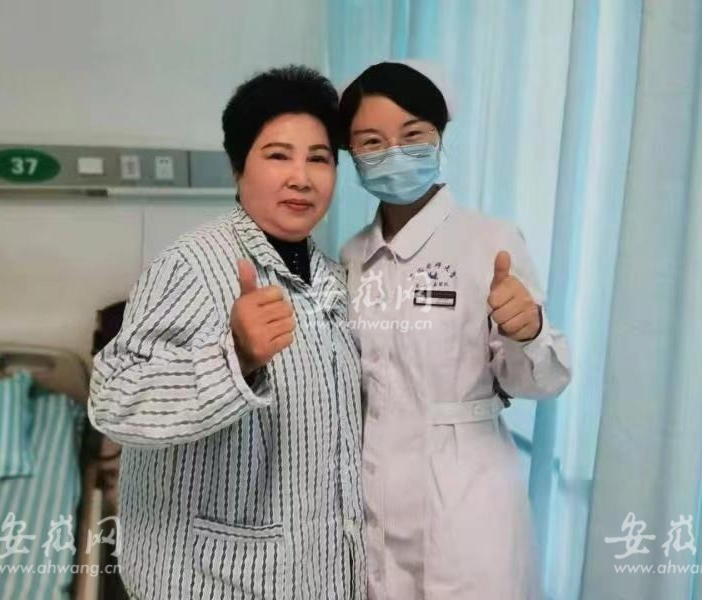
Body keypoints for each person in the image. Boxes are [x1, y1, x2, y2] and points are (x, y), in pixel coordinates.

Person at [89, 65, 366, 599]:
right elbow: (114, 398)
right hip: (213, 580)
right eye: (278, 155)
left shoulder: (333, 280)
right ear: (239, 168)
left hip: (315, 576)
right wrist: (235, 358)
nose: (301, 177)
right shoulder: (193, 265)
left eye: (319, 158)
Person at [339, 61, 572, 599]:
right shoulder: (352, 257)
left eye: (413, 135)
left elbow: (540, 382)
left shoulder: (488, 241)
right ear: (351, 154)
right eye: (372, 142)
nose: (394, 154)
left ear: (440, 137)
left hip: (468, 500)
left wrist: (528, 331)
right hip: (373, 502)